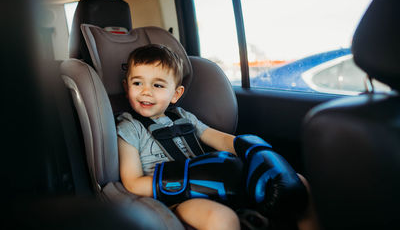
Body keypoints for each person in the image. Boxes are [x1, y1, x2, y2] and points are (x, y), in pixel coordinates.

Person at [117, 44, 318, 230]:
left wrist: (255, 151)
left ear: (176, 94)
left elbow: (220, 139)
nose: (146, 92)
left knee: (298, 184)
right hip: (177, 200)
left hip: (215, 184)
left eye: (158, 85)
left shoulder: (183, 117)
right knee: (222, 218)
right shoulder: (129, 127)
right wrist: (190, 180)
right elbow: (133, 183)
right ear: (127, 88)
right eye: (137, 83)